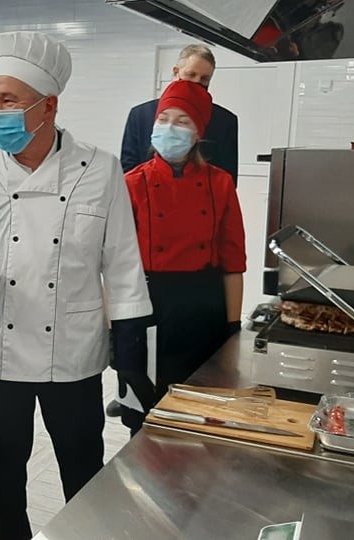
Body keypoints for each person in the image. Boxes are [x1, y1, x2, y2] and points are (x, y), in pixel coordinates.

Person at [0, 31, 152, 540]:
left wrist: (132, 361)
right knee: (3, 475)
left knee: (84, 471)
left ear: (48, 105)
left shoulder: (99, 169)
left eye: (9, 101)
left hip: (72, 354)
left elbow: (123, 267)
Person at [117, 80, 246, 435]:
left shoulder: (220, 183)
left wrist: (233, 329)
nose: (170, 128)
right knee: (143, 417)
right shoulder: (132, 183)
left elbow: (233, 264)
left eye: (182, 121)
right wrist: (114, 329)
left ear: (198, 133)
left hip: (202, 311)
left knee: (201, 415)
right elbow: (116, 267)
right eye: (164, 119)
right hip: (145, 310)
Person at [119, 44, 238, 181]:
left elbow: (228, 178)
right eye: (191, 75)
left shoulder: (225, 120)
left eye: (204, 79)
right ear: (176, 72)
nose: (196, 82)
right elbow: (128, 169)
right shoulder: (141, 115)